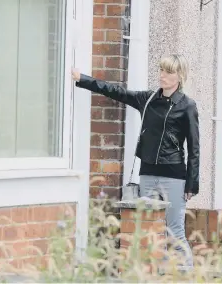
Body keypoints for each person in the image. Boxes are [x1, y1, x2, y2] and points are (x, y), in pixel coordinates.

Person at [71, 54, 199, 266]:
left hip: (175, 176)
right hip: (147, 174)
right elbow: (116, 92)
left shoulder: (187, 106)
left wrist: (192, 183)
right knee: (149, 230)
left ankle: (186, 276)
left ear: (180, 76)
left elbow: (194, 147)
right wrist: (82, 79)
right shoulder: (147, 100)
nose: (163, 75)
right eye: (162, 70)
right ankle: (160, 276)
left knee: (175, 231)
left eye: (169, 72)